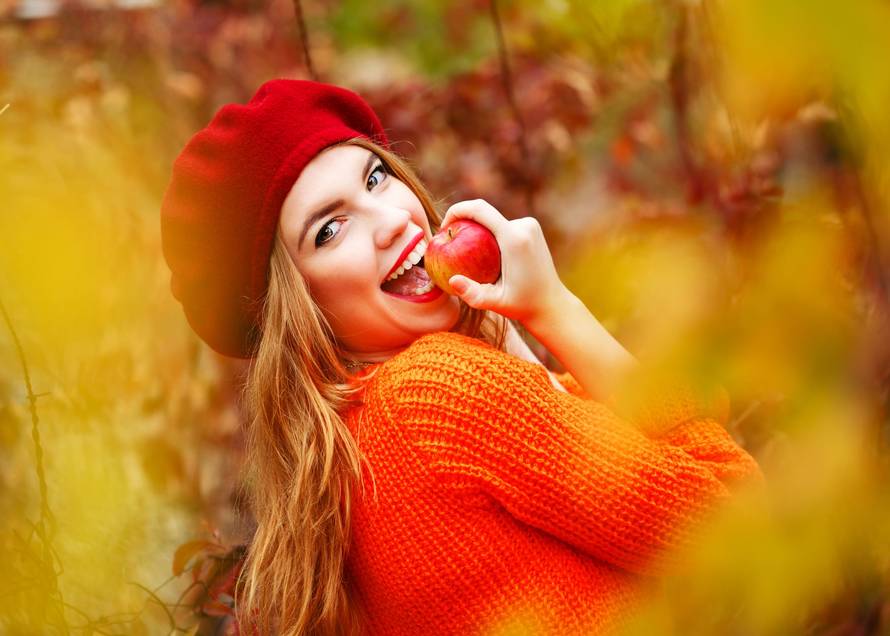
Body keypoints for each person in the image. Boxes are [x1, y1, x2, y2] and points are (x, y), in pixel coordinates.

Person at [160, 79, 763, 636]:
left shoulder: (348, 449)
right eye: (329, 230)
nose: (392, 221)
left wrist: (513, 342)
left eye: (374, 179)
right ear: (295, 309)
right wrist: (554, 306)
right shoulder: (436, 395)